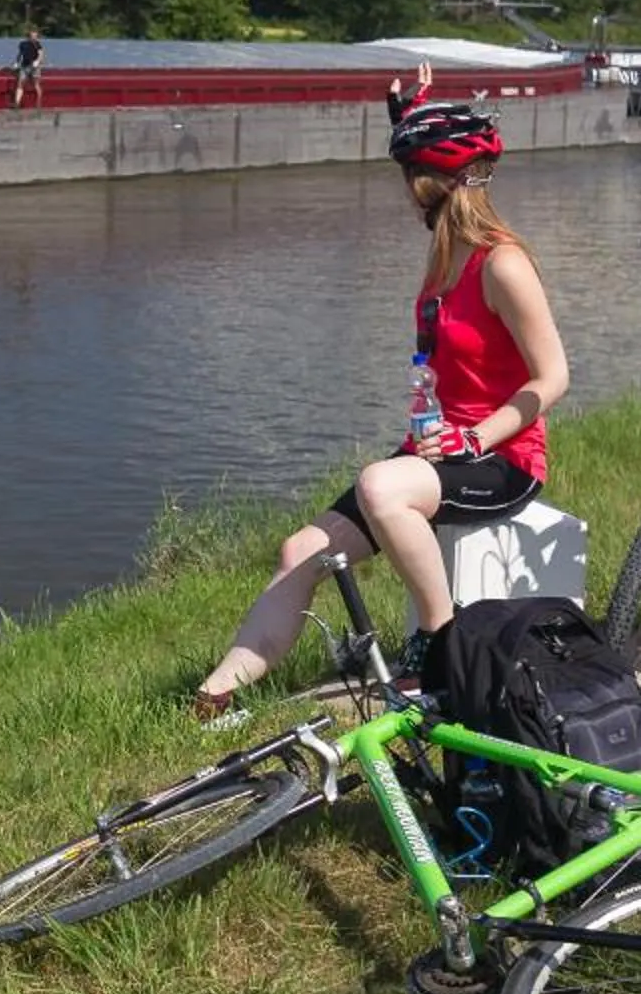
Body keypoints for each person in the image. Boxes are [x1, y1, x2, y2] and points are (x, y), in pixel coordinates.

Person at [193, 66, 572, 719]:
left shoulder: (500, 263)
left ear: (429, 185)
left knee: (380, 485)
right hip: (436, 454)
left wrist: (472, 437)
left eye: (409, 178)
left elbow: (554, 377)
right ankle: (218, 697)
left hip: (500, 460)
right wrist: (407, 113)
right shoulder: (445, 250)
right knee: (300, 552)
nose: (403, 193)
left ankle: (437, 646)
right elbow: (427, 150)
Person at [12, 25, 45, 110]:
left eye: (36, 36)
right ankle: (17, 103)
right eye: (33, 35)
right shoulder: (23, 44)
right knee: (20, 84)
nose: (34, 37)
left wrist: (37, 61)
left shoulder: (37, 44)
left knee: (36, 84)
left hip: (34, 67)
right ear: (29, 35)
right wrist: (16, 62)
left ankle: (38, 102)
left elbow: (41, 54)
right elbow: (20, 54)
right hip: (24, 66)